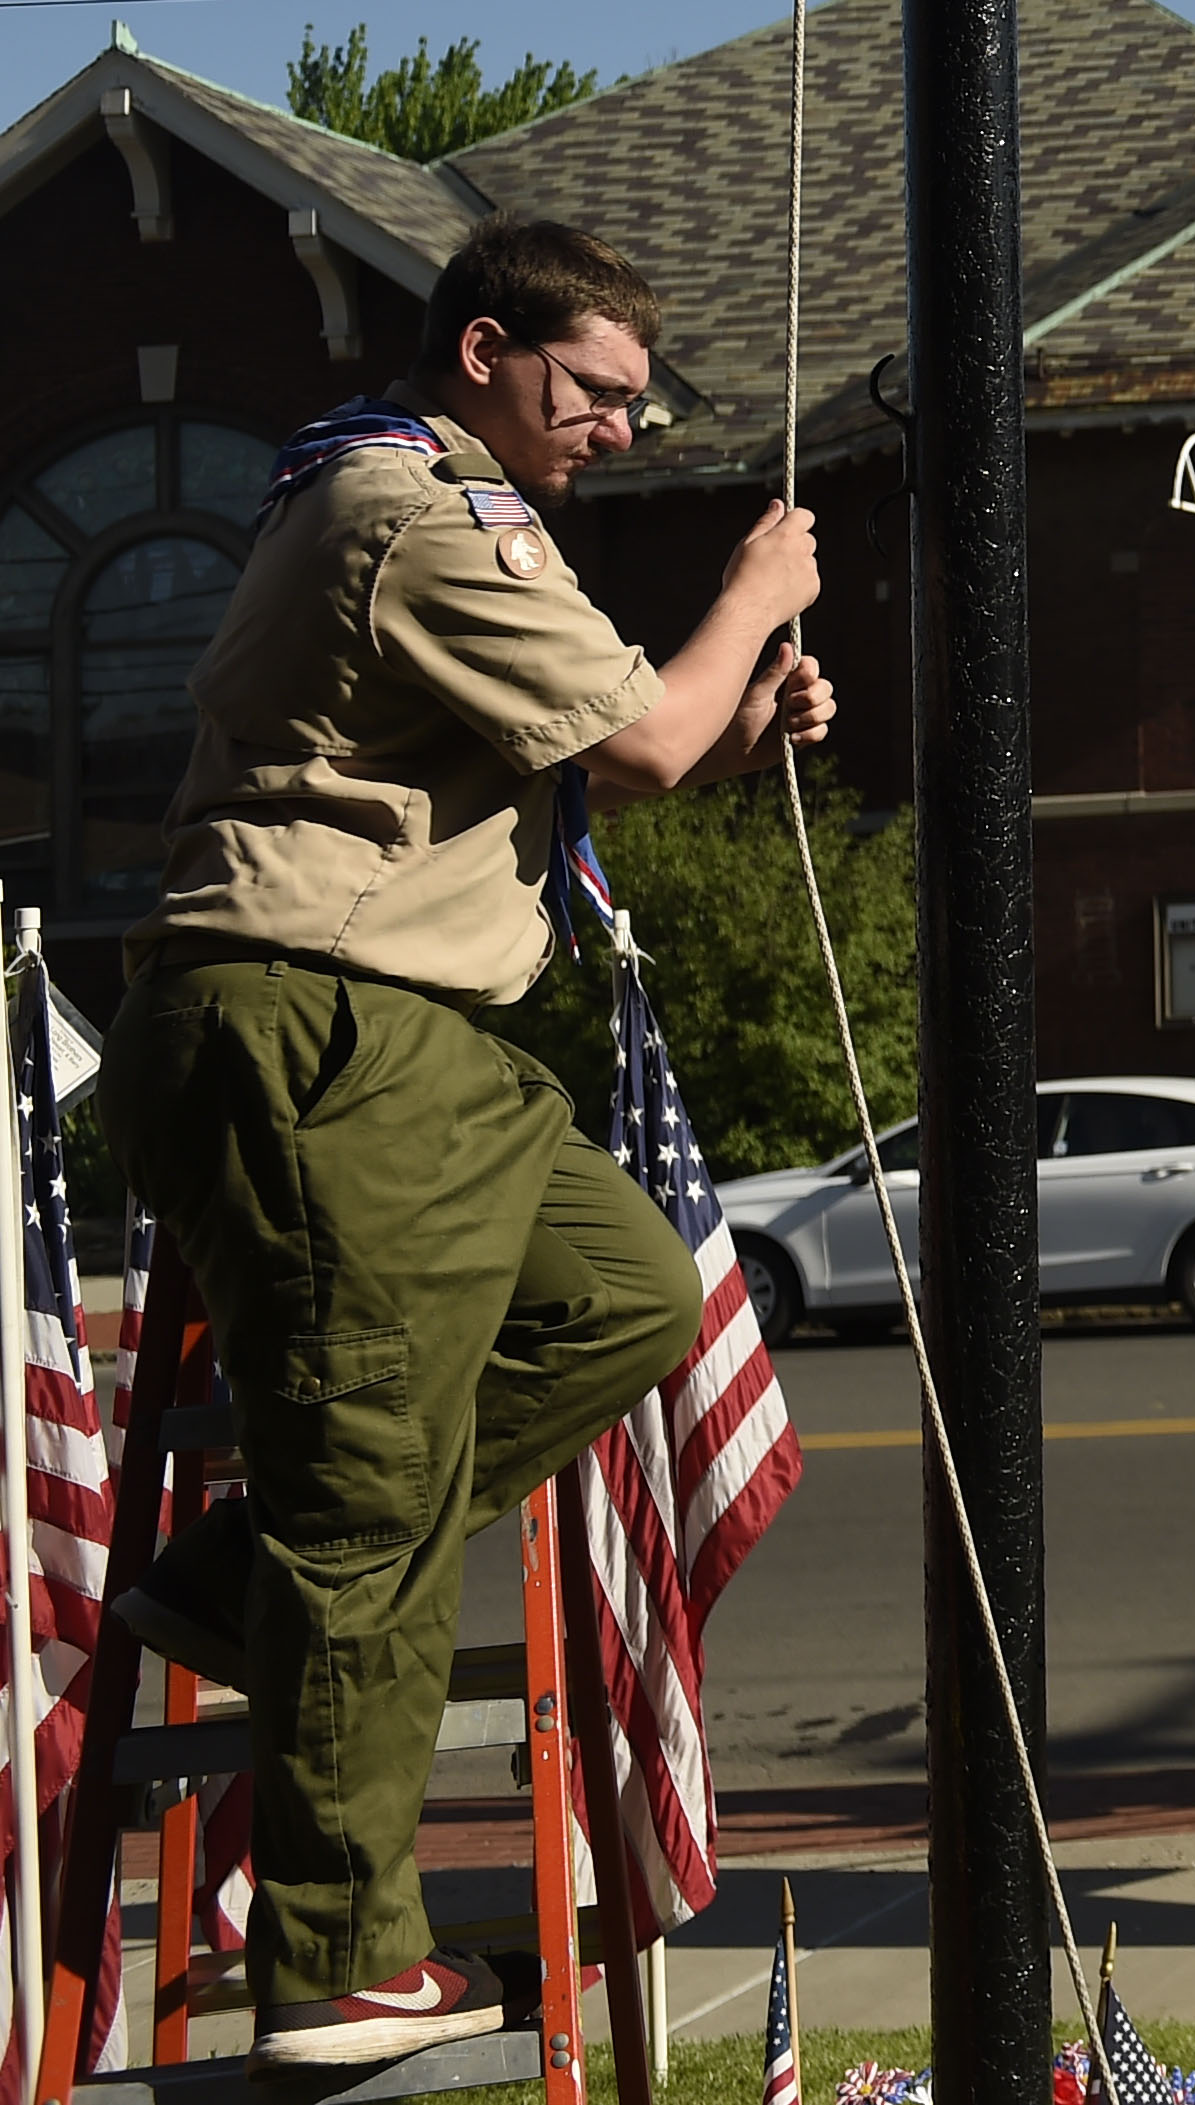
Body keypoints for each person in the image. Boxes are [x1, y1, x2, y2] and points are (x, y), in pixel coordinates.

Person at [96, 217, 835, 2070]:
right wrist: (751, 593)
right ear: (487, 348)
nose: (615, 430)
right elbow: (641, 745)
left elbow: (628, 753)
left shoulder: (431, 515)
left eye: (631, 405)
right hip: (317, 1017)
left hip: (415, 1036)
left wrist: (738, 728)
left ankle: (249, 1581)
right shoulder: (422, 515)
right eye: (591, 393)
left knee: (633, 1291)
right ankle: (340, 1958)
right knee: (372, 1490)